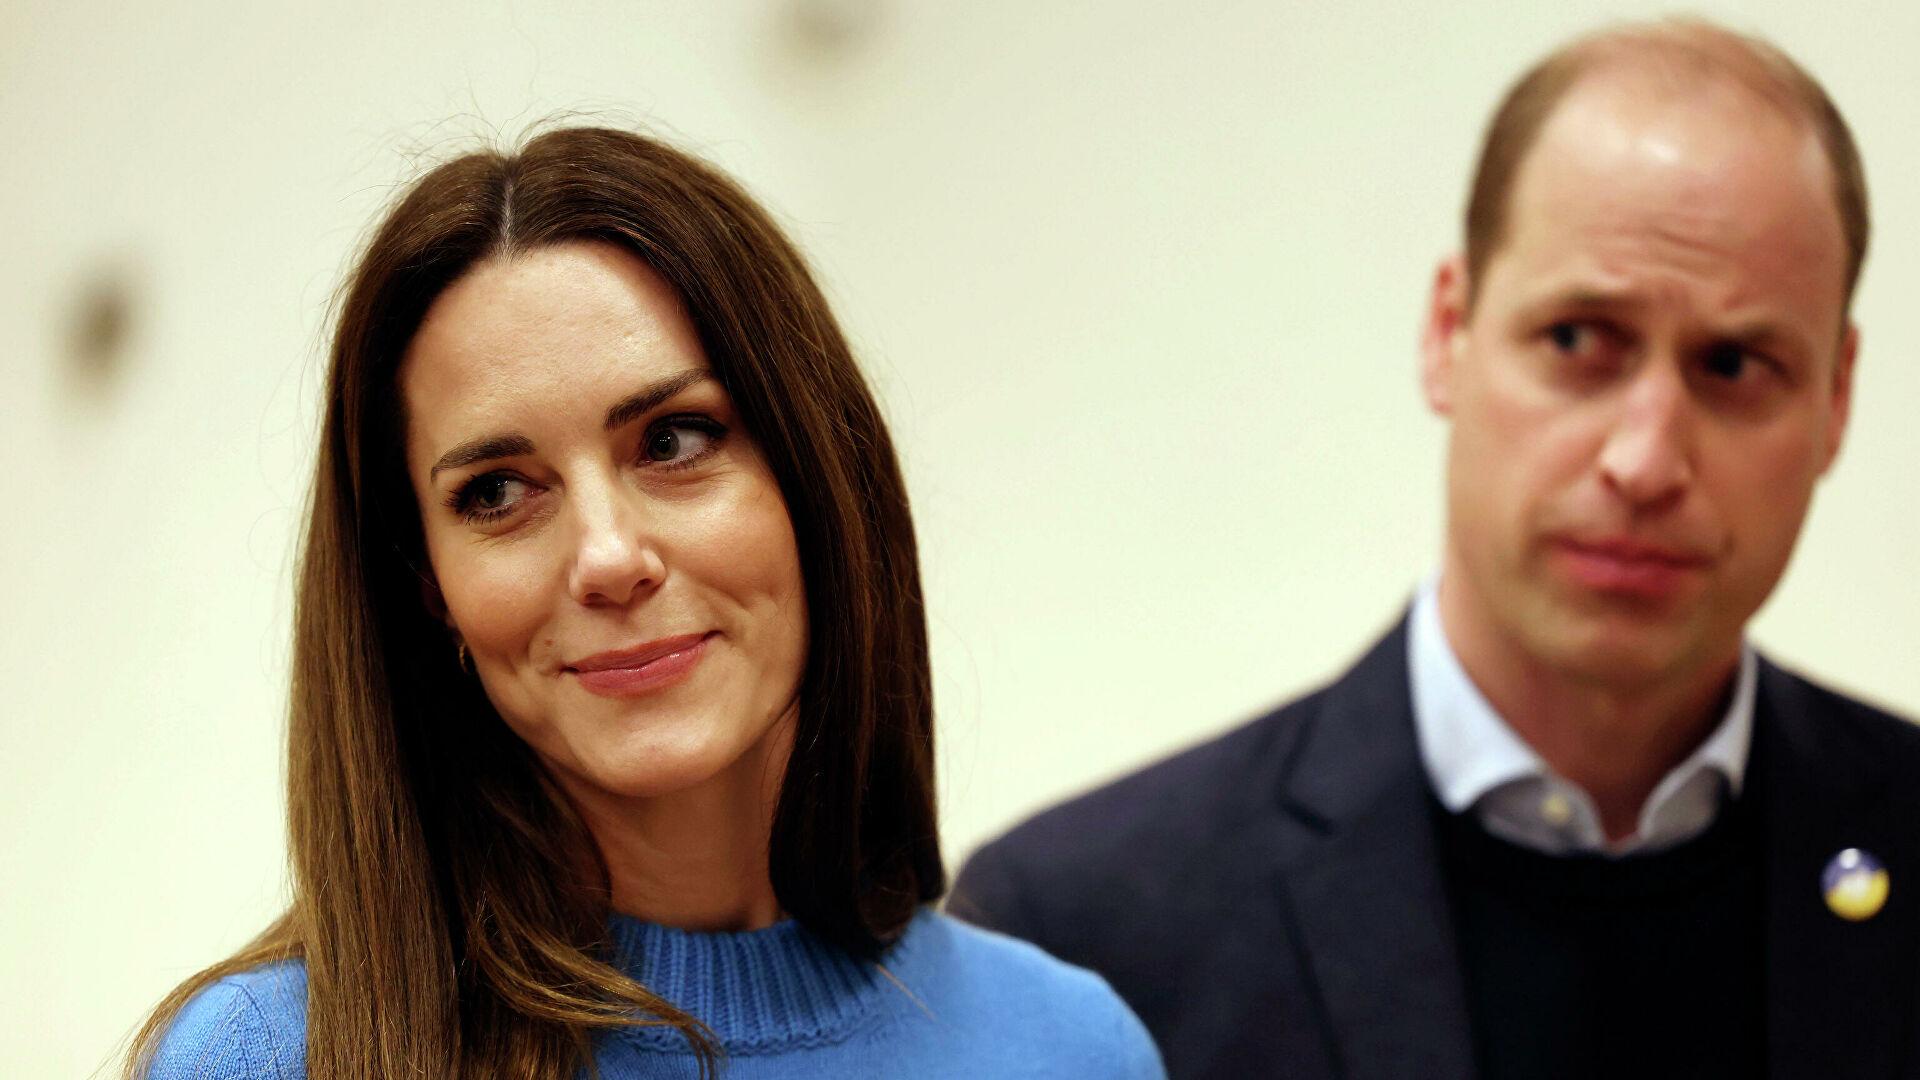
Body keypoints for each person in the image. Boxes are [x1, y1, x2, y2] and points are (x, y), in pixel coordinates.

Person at [951, 19, 1920, 1080]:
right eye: (1578, 340)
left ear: (1837, 399)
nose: (1645, 461)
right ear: (1447, 331)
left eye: (1733, 365)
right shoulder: (1081, 940)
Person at [130, 126, 1164, 1080]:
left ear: (819, 480)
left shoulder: (1073, 1047)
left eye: (673, 440)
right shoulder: (268, 1058)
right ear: (427, 588)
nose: (608, 557)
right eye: (496, 493)